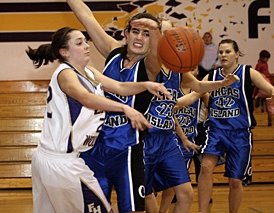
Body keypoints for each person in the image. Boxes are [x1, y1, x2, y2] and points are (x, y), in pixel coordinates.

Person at [26, 27, 170, 213]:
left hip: (62, 160)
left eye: (85, 41)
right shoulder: (65, 73)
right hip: (60, 163)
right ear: (64, 52)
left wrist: (146, 85)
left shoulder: (89, 72)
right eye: (79, 43)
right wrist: (125, 108)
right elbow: (85, 98)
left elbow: (119, 86)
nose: (86, 46)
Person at [66, 1, 163, 212]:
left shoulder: (151, 67)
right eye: (135, 31)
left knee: (132, 209)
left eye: (147, 34)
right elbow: (87, 17)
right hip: (94, 146)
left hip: (127, 149)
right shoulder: (113, 52)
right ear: (126, 34)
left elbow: (156, 54)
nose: (139, 37)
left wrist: (155, 29)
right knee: (94, 208)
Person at [143, 17, 239, 213]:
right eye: (163, 33)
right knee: (143, 194)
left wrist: (221, 83)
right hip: (145, 138)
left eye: (171, 34)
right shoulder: (146, 63)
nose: (168, 38)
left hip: (168, 139)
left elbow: (198, 86)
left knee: (185, 193)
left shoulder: (176, 68)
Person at [197, 39, 274, 213]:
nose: (223, 55)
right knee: (205, 168)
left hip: (240, 132)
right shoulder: (212, 75)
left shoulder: (248, 73)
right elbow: (196, 92)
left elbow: (270, 89)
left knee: (235, 180)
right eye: (221, 52)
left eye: (227, 52)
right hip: (216, 130)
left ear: (237, 54)